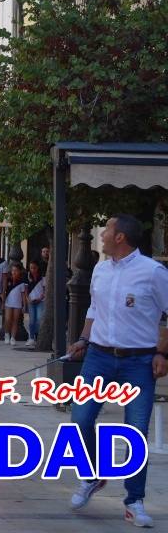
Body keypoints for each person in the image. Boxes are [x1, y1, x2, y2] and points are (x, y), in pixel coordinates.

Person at [65, 215, 168, 527]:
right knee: (80, 418)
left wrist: (163, 352)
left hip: (139, 361)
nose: (103, 235)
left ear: (120, 237)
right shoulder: (100, 268)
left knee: (135, 432)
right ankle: (93, 476)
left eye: (107, 230)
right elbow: (94, 309)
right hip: (98, 356)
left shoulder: (153, 272)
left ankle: (134, 501)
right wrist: (83, 338)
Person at [2, 260, 27, 345]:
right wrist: (2, 301)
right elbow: (4, 291)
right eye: (12, 270)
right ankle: (6, 335)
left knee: (15, 320)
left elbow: (23, 295)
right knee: (8, 319)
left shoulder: (22, 282)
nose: (14, 272)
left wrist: (24, 305)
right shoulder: (8, 280)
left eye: (16, 271)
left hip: (18, 304)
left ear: (19, 271)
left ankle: (13, 337)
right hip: (8, 303)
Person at [26, 260, 45, 341]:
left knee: (39, 319)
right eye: (31, 268)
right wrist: (28, 299)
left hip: (40, 301)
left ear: (38, 268)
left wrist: (40, 298)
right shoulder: (27, 277)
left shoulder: (42, 277)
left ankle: (37, 336)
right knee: (32, 320)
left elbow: (45, 290)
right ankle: (31, 337)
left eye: (34, 268)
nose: (32, 270)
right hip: (31, 301)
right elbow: (25, 290)